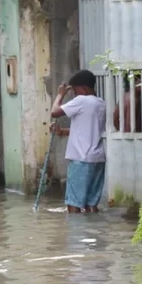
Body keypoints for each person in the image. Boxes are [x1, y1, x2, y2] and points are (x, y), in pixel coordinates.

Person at [50, 69, 107, 214]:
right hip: (98, 159)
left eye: (75, 90)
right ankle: (93, 233)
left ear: (84, 88)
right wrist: (62, 131)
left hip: (81, 159)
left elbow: (54, 112)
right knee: (91, 204)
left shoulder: (81, 100)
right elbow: (88, 129)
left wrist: (60, 94)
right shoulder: (101, 103)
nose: (74, 94)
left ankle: (77, 234)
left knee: (73, 204)